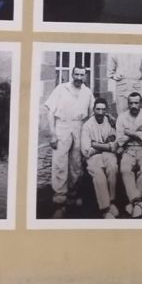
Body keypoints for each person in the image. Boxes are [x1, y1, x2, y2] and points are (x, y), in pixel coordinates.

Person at [44, 65, 93, 211]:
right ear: (72, 75)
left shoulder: (87, 92)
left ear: (85, 76)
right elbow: (50, 112)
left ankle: (72, 193)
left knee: (76, 163)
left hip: (79, 126)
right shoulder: (61, 89)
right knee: (60, 162)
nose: (79, 77)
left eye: (81, 75)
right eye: (76, 74)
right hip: (62, 125)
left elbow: (91, 115)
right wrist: (53, 134)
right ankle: (60, 195)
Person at [116, 89, 142, 218]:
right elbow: (120, 140)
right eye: (131, 103)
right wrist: (137, 133)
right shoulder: (122, 117)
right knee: (125, 169)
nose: (133, 106)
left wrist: (129, 132)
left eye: (136, 103)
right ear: (128, 103)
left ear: (141, 103)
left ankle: (132, 203)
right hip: (128, 150)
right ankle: (137, 203)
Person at [79, 97, 120, 218]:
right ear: (94, 110)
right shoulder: (87, 126)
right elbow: (87, 151)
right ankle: (105, 209)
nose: (100, 112)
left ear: (106, 110)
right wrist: (105, 146)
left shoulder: (109, 121)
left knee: (112, 167)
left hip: (107, 154)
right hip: (94, 157)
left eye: (103, 109)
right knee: (99, 175)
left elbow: (114, 142)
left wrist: (95, 144)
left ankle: (112, 201)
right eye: (98, 109)